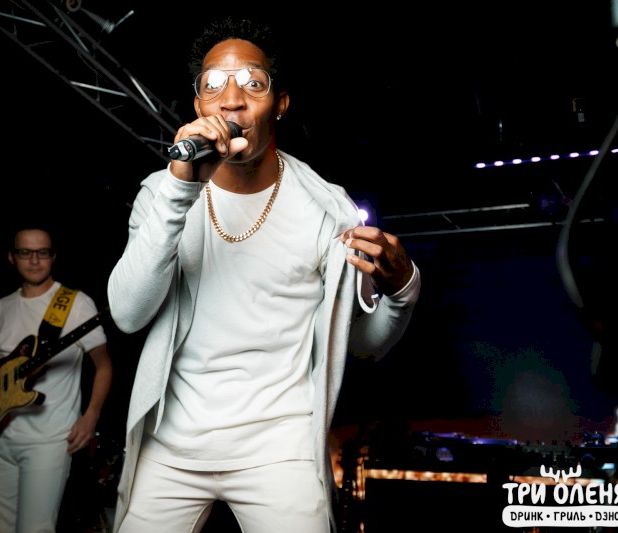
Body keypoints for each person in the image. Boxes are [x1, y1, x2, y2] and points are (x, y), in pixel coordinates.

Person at [105, 16, 421, 533]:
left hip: (279, 449)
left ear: (280, 104)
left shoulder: (327, 211)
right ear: (199, 107)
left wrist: (403, 290)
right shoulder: (161, 193)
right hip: (173, 446)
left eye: (253, 84)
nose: (232, 100)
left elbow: (364, 346)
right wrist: (180, 192)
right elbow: (127, 314)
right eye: (213, 85)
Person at [0, 224, 113, 533]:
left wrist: (90, 417)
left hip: (47, 441)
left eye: (42, 252)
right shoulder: (1, 308)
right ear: (11, 257)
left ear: (53, 257)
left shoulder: (74, 303)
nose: (34, 260)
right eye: (25, 252)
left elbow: (104, 366)